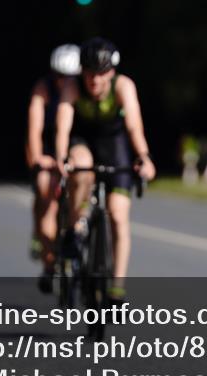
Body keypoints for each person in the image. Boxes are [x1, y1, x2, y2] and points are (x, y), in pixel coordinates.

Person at [55, 37, 156, 301]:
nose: (94, 81)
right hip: (83, 141)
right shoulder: (72, 86)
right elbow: (63, 126)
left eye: (101, 75)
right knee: (83, 168)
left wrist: (143, 157)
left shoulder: (124, 86)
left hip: (115, 144)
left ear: (112, 73)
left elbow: (134, 126)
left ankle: (117, 287)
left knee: (119, 216)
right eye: (89, 74)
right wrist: (60, 158)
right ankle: (75, 230)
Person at [28, 44, 81, 293]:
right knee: (44, 190)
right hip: (49, 149)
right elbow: (34, 127)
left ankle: (78, 228)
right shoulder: (43, 89)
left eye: (71, 76)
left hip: (76, 145)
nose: (65, 81)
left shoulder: (85, 89)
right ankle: (49, 264)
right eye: (60, 75)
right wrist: (39, 157)